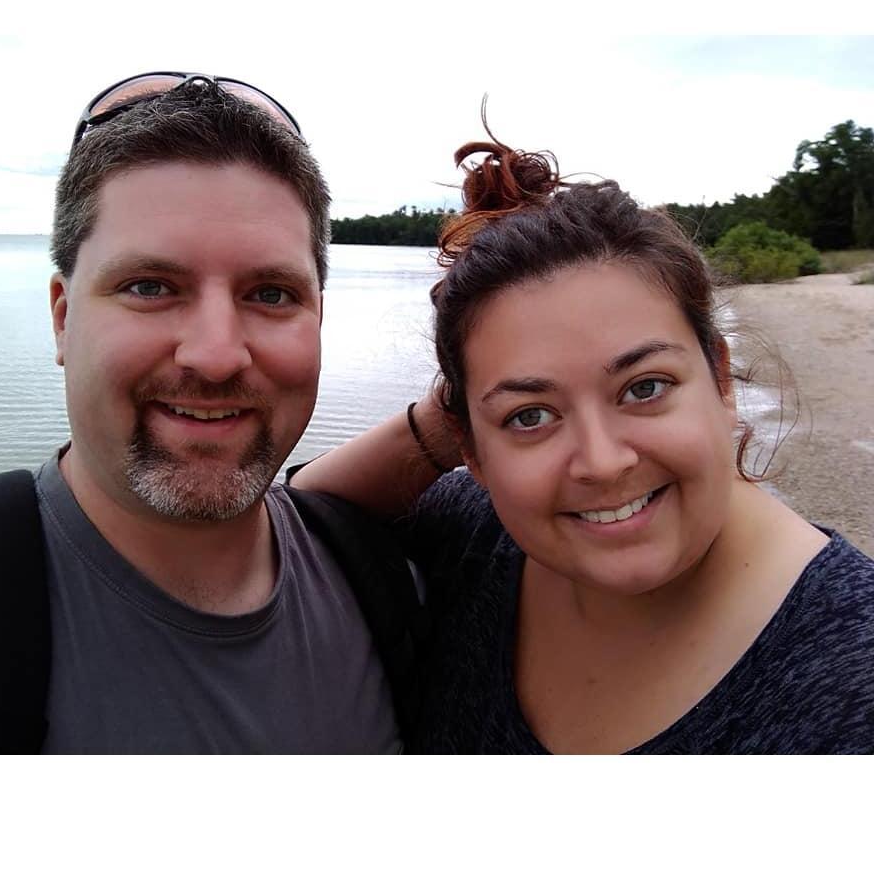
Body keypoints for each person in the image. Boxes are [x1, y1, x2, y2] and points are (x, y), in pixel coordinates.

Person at [292, 129, 874, 754]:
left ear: (720, 379)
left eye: (644, 388)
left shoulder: (848, 672)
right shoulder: (484, 538)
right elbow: (313, 504)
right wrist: (472, 413)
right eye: (530, 417)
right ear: (468, 448)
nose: (601, 462)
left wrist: (501, 405)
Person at [0, 72, 423, 754]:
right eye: (150, 286)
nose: (216, 356)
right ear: (63, 320)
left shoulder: (394, 584)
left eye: (271, 294)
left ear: (319, 318)